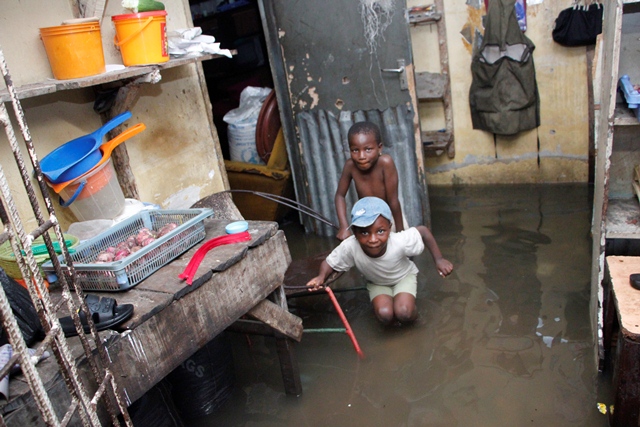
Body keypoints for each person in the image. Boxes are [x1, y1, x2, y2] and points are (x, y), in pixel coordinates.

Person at [307, 197, 453, 325]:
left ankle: (416, 322)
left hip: (403, 278)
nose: (373, 239)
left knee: (404, 313)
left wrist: (439, 259)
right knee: (385, 315)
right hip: (377, 282)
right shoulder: (350, 246)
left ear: (389, 228)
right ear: (355, 233)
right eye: (364, 232)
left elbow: (423, 231)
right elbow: (329, 262)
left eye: (380, 231)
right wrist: (321, 277)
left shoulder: (399, 241)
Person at [335, 121, 404, 241]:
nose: (361, 156)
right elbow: (339, 196)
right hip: (365, 219)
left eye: (368, 149)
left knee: (396, 248)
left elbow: (393, 201)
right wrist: (344, 226)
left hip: (389, 217)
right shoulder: (350, 166)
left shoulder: (385, 163)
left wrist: (401, 232)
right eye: (355, 150)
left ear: (379, 148)